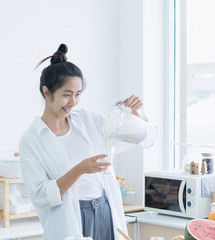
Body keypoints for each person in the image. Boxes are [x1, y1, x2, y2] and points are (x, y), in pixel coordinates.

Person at [19, 43, 144, 240]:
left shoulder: (87, 119)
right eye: (66, 95)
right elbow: (41, 195)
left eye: (77, 95)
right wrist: (79, 170)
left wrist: (135, 114)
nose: (73, 103)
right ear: (47, 92)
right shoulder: (32, 140)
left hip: (105, 209)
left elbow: (126, 139)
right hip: (72, 218)